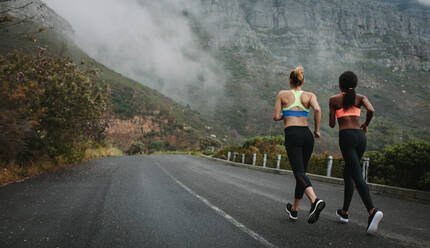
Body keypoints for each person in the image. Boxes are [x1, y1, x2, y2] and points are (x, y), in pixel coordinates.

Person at [329, 71, 383, 234]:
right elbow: (371, 110)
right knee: (349, 174)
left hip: (346, 137)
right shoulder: (361, 98)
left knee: (357, 175)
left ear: (340, 85)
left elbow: (332, 124)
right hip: (360, 137)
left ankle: (372, 211)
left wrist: (337, 114)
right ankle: (344, 212)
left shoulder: (334, 100)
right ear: (356, 84)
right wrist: (365, 124)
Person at [273, 66, 325, 224]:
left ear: (290, 80)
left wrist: (287, 113)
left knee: (298, 172)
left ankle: (315, 201)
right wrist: (317, 130)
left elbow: (276, 116)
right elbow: (317, 109)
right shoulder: (310, 95)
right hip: (307, 135)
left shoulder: (282, 94)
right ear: (302, 81)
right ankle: (294, 210)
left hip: (293, 134)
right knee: (301, 173)